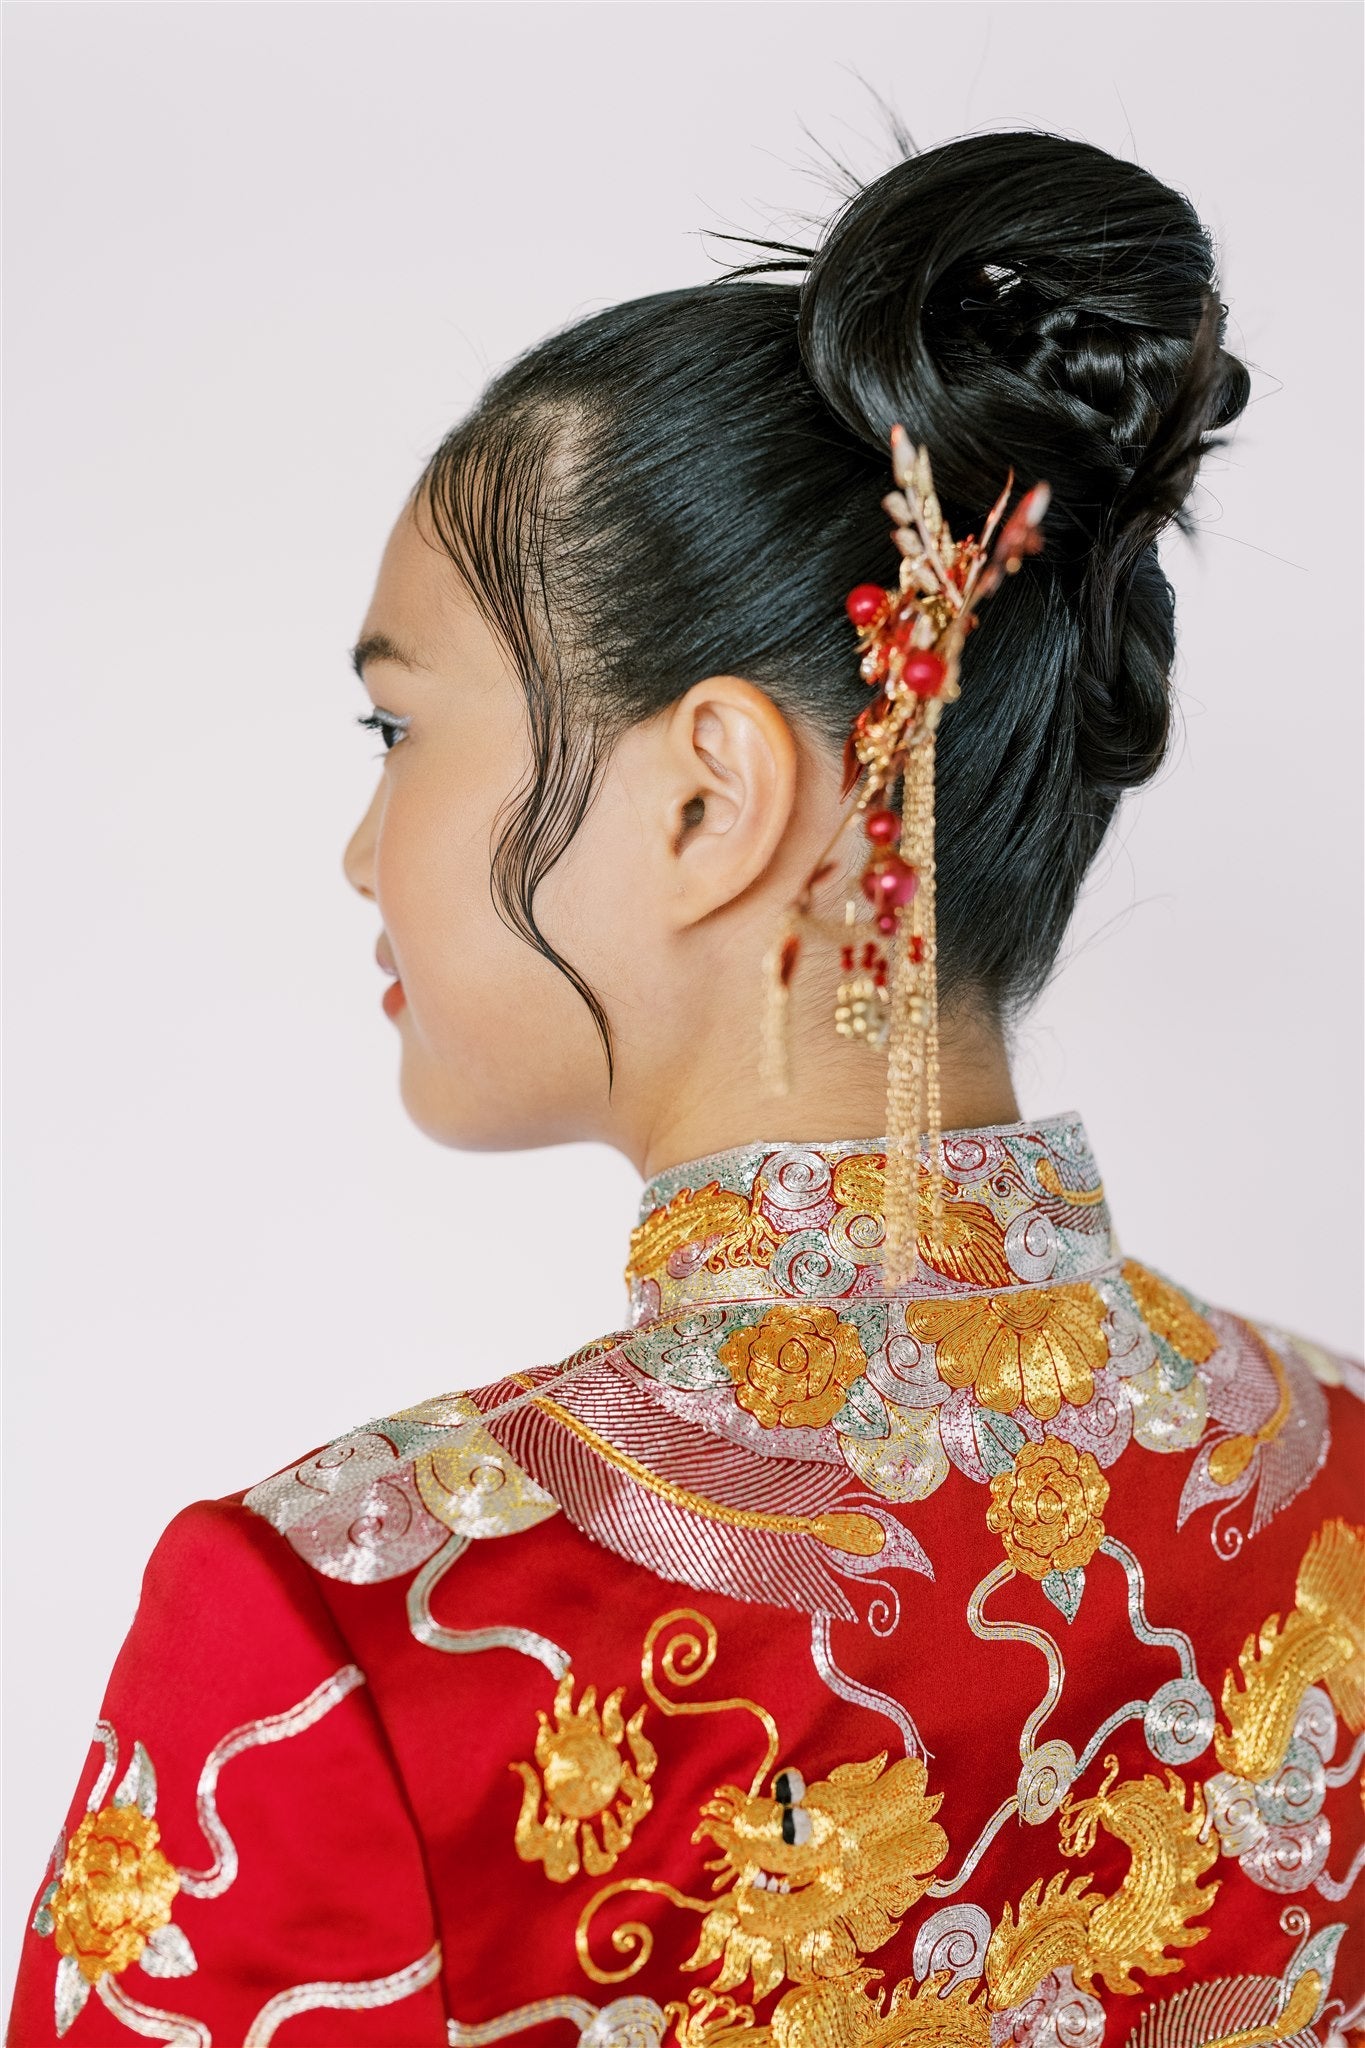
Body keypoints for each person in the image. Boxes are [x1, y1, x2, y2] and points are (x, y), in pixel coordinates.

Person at [9, 128, 1362, 2048]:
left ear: (708, 797)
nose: (359, 848)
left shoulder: (353, 1635)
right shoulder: (1344, 1476)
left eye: (398, 727)